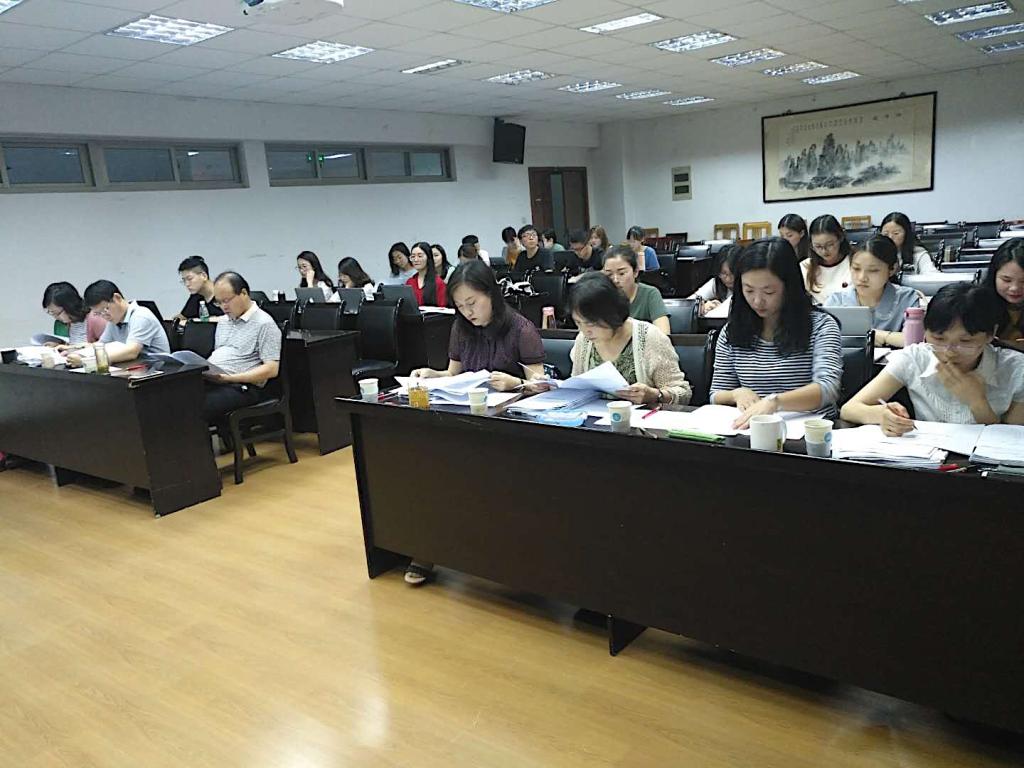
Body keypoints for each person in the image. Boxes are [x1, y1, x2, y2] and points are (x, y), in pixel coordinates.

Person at [406, 260, 546, 586]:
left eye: (472, 302)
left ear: (491, 294)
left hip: (510, 431)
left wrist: (516, 383)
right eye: (460, 306)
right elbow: (452, 374)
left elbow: (542, 385)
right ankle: (427, 548)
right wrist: (432, 375)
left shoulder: (521, 329)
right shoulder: (460, 329)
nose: (468, 312)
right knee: (428, 471)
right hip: (467, 422)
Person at [841, 282, 1024, 432]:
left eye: (965, 341)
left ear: (990, 334)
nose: (949, 351)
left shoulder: (1015, 368)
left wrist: (978, 402)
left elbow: (1012, 441)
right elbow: (849, 409)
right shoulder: (915, 358)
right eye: (938, 339)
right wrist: (881, 415)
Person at [710, 237, 843, 427]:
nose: (757, 301)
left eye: (769, 292)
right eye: (749, 290)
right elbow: (716, 393)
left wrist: (775, 402)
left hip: (810, 430)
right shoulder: (732, 331)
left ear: (789, 287)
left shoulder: (821, 326)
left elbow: (827, 389)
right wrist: (735, 394)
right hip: (753, 429)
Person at [569, 272, 691, 406]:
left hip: (640, 417)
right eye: (578, 323)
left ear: (611, 314)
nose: (585, 331)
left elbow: (683, 393)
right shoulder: (584, 341)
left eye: (591, 323)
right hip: (594, 417)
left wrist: (656, 395)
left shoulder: (649, 337)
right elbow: (576, 387)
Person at [202, 271, 283, 425]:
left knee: (197, 406)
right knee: (180, 397)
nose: (223, 307)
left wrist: (230, 378)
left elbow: (272, 369)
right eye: (219, 302)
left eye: (227, 300)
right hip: (217, 381)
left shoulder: (264, 323)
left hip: (243, 386)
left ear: (244, 293)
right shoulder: (224, 321)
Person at [824, 236, 922, 348]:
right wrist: (886, 337)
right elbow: (823, 342)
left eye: (873, 270)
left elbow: (914, 340)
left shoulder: (907, 298)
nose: (862, 277)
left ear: (892, 269)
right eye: (856, 269)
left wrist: (876, 335)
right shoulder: (836, 301)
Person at [76, 280, 170, 364]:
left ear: (117, 298)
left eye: (105, 309)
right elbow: (101, 346)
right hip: (135, 369)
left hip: (159, 371)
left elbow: (131, 352)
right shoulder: (113, 321)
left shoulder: (141, 316)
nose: (104, 316)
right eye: (98, 313)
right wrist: (78, 354)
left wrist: (87, 361)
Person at [601, 244, 670, 334]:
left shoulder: (650, 294)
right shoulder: (601, 296)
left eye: (621, 273)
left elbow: (664, 334)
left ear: (635, 272)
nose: (615, 280)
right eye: (609, 274)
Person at [801, 214, 853, 304]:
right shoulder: (805, 267)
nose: (824, 251)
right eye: (818, 246)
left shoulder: (854, 262)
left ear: (840, 238)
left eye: (830, 245)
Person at [983, 237, 1024, 348]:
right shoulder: (976, 304)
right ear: (994, 275)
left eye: (1023, 281)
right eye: (1006, 280)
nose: (1014, 288)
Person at [41, 282, 106, 346]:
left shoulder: (95, 319)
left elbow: (107, 345)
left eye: (58, 313)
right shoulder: (67, 323)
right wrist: (59, 346)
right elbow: (74, 345)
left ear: (69, 307)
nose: (55, 317)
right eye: (51, 313)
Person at [689, 244, 740, 315]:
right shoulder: (716, 283)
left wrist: (719, 309)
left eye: (732, 273)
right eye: (723, 273)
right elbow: (689, 303)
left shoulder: (746, 286)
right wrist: (701, 307)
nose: (728, 279)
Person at [173, 255, 225, 324]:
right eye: (184, 280)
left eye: (189, 279)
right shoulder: (195, 297)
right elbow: (182, 317)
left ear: (204, 276)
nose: (187, 284)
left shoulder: (224, 293)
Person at [406, 241, 447, 307]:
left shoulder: (438, 283)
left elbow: (443, 308)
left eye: (420, 256)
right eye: (413, 256)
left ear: (428, 257)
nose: (415, 260)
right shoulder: (410, 282)